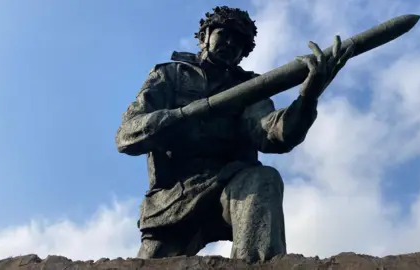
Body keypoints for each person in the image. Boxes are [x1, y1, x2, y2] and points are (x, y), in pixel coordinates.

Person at [115, 6, 354, 263]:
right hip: (172, 199)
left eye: (239, 41)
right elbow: (127, 135)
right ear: (205, 36)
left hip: (230, 183)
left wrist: (308, 98)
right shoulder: (170, 76)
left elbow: (273, 133)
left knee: (263, 179)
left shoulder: (248, 88)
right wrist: (182, 116)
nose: (230, 43)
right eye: (224, 34)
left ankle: (256, 267)